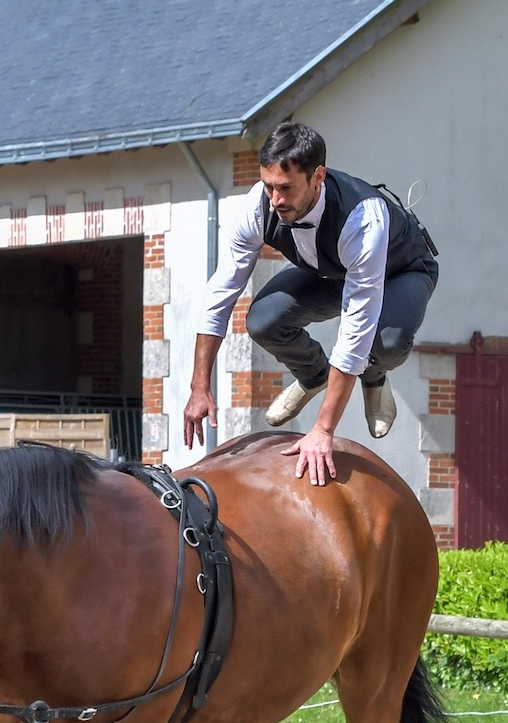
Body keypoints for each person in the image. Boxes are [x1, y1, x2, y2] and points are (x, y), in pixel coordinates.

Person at [183, 121, 439, 486]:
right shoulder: (259, 205)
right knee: (263, 320)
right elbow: (221, 291)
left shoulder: (362, 218)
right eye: (269, 186)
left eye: (286, 189)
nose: (276, 200)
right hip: (331, 273)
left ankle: (375, 375)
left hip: (400, 272)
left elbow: (356, 328)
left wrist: (323, 429)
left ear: (318, 176)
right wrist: (199, 385)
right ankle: (312, 375)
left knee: (387, 341)